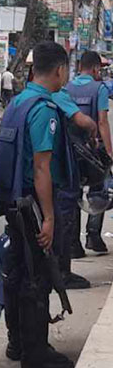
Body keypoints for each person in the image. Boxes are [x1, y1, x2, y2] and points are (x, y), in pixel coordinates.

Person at [0, 41, 76, 368]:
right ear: (59, 69)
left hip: (14, 200)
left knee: (17, 273)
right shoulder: (43, 108)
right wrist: (50, 216)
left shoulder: (17, 103)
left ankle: (17, 341)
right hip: (33, 204)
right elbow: (42, 167)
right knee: (37, 276)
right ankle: (35, 352)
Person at [45, 78, 98, 290]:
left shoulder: (25, 99)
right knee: (64, 220)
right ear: (59, 70)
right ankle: (62, 273)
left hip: (39, 173)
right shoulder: (58, 95)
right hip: (60, 172)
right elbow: (85, 121)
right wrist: (93, 132)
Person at [66, 51, 112, 256]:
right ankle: (93, 236)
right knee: (97, 190)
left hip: (71, 150)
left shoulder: (66, 88)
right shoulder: (99, 89)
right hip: (93, 150)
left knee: (73, 192)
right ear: (94, 69)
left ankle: (74, 243)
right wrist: (109, 152)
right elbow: (102, 121)